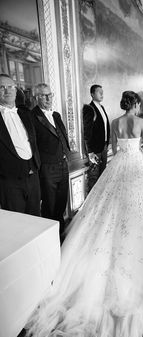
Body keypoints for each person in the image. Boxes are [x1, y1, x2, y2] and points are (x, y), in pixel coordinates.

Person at [26, 91, 143, 337]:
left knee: (106, 210)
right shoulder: (140, 122)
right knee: (141, 212)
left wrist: (114, 161)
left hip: (118, 166)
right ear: (136, 104)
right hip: (137, 165)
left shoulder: (116, 122)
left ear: (123, 104)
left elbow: (113, 148)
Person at [31, 83, 70, 235]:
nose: (48, 98)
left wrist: (67, 155)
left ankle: (61, 236)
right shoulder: (32, 116)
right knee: (50, 207)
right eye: (43, 95)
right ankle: (52, 240)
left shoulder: (56, 115)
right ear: (36, 97)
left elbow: (62, 136)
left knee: (61, 205)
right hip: (47, 169)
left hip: (63, 166)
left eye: (50, 94)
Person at [0, 74, 40, 216]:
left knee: (36, 219)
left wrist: (36, 166)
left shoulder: (26, 114)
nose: (7, 91)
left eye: (10, 87)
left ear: (16, 90)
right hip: (9, 182)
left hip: (33, 177)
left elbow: (34, 142)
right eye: (2, 87)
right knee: (18, 225)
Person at [83, 84, 110, 192]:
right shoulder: (89, 109)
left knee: (102, 176)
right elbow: (87, 131)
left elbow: (105, 127)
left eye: (102, 92)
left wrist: (107, 143)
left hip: (103, 147)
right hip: (95, 150)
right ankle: (92, 203)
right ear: (92, 94)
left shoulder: (101, 107)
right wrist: (90, 151)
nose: (102, 94)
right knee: (93, 177)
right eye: (99, 92)